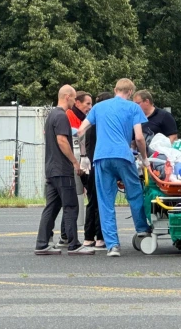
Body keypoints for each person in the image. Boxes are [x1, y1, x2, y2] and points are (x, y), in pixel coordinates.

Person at [78, 78, 152, 257]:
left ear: (115, 89)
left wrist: (83, 157)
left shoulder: (98, 107)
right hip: (123, 156)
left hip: (101, 157)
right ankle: (142, 229)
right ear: (130, 92)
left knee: (105, 201)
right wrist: (145, 159)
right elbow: (140, 138)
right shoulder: (133, 108)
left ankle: (112, 245)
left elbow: (81, 131)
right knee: (134, 193)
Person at [34, 85, 95, 256]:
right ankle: (74, 244)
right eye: (74, 98)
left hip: (51, 169)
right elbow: (62, 141)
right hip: (62, 169)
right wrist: (75, 162)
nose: (75, 102)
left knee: (51, 207)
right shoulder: (61, 116)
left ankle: (42, 243)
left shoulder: (51, 115)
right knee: (71, 206)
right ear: (67, 97)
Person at [80, 91, 114, 250]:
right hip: (101, 164)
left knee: (92, 202)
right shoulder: (104, 124)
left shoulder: (90, 123)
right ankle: (100, 236)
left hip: (91, 165)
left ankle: (88, 237)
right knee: (103, 201)